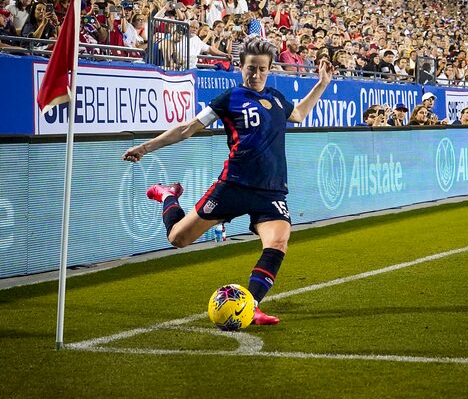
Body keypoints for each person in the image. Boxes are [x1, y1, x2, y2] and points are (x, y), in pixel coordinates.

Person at [122, 36, 334, 326]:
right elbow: (187, 129)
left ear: (270, 69)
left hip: (270, 190)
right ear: (241, 67)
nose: (255, 74)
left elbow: (298, 114)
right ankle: (169, 195)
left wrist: (321, 84)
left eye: (261, 69)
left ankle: (252, 305)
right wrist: (145, 147)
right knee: (178, 239)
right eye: (250, 68)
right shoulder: (230, 98)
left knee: (278, 242)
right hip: (233, 185)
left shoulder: (276, 98)